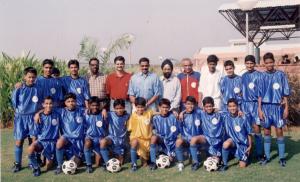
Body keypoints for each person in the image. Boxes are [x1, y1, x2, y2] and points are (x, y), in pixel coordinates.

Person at [258, 52, 290, 167]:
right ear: (264, 64)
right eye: (266, 63)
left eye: (271, 62)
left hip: (277, 107)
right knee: (266, 130)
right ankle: (267, 156)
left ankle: (281, 157)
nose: (269, 65)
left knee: (279, 130)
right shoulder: (261, 76)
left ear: (274, 62)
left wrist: (286, 108)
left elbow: (285, 94)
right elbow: (260, 95)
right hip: (265, 107)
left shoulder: (280, 75)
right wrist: (259, 109)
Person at [11, 67, 42, 173]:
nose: (31, 79)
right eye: (29, 77)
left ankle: (32, 162)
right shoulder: (19, 88)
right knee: (19, 142)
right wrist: (16, 88)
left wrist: (38, 113)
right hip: (21, 118)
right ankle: (17, 164)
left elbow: (42, 104)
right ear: (25, 77)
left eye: (33, 77)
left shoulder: (38, 88)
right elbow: (14, 104)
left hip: (33, 118)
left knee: (33, 142)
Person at [54, 93, 86, 174]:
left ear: (76, 102)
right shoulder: (61, 111)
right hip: (67, 139)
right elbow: (47, 109)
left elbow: (93, 110)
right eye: (68, 101)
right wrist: (37, 114)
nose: (71, 103)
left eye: (73, 101)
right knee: (59, 143)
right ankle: (59, 165)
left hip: (78, 141)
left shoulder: (82, 110)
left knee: (74, 165)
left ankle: (78, 158)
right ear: (65, 103)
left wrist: (103, 110)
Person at [28, 96, 60, 176]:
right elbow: (35, 133)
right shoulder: (39, 117)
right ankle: (36, 167)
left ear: (53, 104)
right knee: (30, 148)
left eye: (50, 103)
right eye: (46, 103)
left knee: (48, 167)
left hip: (52, 143)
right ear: (43, 104)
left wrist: (38, 112)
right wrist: (34, 145)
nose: (48, 105)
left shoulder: (57, 114)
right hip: (41, 142)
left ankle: (50, 159)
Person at [241, 55, 264, 161]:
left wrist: (259, 108)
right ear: (245, 64)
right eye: (247, 63)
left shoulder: (259, 75)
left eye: (251, 63)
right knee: (246, 129)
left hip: (255, 105)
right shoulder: (243, 76)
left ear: (254, 64)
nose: (249, 65)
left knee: (256, 128)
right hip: (245, 105)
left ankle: (260, 153)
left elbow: (261, 93)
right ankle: (247, 152)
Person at [219, 98, 252, 171]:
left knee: (242, 166)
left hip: (242, 144)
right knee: (225, 144)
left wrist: (250, 146)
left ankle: (245, 155)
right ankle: (224, 164)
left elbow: (249, 133)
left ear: (237, 106)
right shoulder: (225, 116)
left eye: (234, 106)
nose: (232, 108)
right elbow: (215, 112)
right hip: (233, 142)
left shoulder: (243, 117)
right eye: (230, 106)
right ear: (227, 107)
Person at [149, 98, 181, 170]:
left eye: (167, 107)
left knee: (171, 160)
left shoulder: (174, 117)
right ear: (159, 107)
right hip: (161, 142)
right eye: (163, 107)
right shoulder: (155, 118)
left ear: (169, 108)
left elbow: (179, 133)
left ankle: (167, 154)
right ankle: (153, 162)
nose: (165, 109)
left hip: (172, 143)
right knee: (153, 137)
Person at [175, 96, 202, 171]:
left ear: (195, 105)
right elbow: (180, 130)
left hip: (198, 139)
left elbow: (210, 110)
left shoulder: (199, 112)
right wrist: (181, 113)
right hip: (186, 139)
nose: (190, 106)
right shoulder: (182, 116)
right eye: (188, 104)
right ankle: (180, 162)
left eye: (192, 104)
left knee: (193, 139)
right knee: (178, 141)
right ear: (184, 105)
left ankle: (196, 162)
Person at [100, 99, 130, 166]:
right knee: (102, 142)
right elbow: (100, 112)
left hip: (121, 141)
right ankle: (107, 164)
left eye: (121, 108)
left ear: (124, 108)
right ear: (114, 108)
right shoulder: (110, 114)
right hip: (112, 138)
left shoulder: (127, 116)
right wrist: (104, 109)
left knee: (120, 163)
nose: (119, 110)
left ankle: (118, 154)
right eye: (117, 108)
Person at [127, 97, 154, 172]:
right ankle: (134, 164)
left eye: (142, 107)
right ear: (135, 107)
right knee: (134, 142)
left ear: (145, 106)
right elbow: (129, 128)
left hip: (147, 139)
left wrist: (172, 112)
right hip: (136, 138)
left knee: (144, 164)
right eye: (138, 107)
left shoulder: (149, 113)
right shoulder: (133, 116)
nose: (140, 109)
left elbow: (159, 113)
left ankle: (147, 161)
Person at [84, 96, 107, 173]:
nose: (95, 107)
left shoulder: (103, 114)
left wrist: (104, 109)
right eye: (93, 105)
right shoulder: (85, 114)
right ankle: (89, 165)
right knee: (87, 143)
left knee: (98, 164)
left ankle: (106, 164)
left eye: (97, 105)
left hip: (99, 139)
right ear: (89, 105)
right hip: (90, 137)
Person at [197, 97, 224, 162]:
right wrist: (182, 112)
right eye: (207, 106)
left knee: (216, 160)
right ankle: (196, 162)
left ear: (213, 105)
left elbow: (229, 112)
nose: (209, 108)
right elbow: (191, 109)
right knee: (194, 140)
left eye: (210, 106)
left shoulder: (219, 113)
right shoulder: (202, 113)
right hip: (207, 139)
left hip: (218, 140)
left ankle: (219, 156)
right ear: (203, 107)